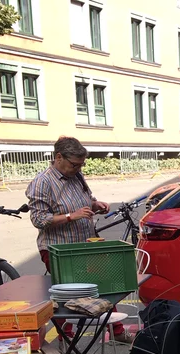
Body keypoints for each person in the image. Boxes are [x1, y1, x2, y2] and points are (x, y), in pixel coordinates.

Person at [27, 137, 133, 343]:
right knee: (66, 292)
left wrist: (95, 205)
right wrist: (70, 216)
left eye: (81, 165)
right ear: (59, 157)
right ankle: (65, 336)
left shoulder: (77, 176)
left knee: (104, 285)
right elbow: (38, 219)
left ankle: (117, 330)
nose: (77, 169)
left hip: (84, 244)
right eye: (74, 164)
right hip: (59, 249)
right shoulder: (42, 182)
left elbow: (86, 200)